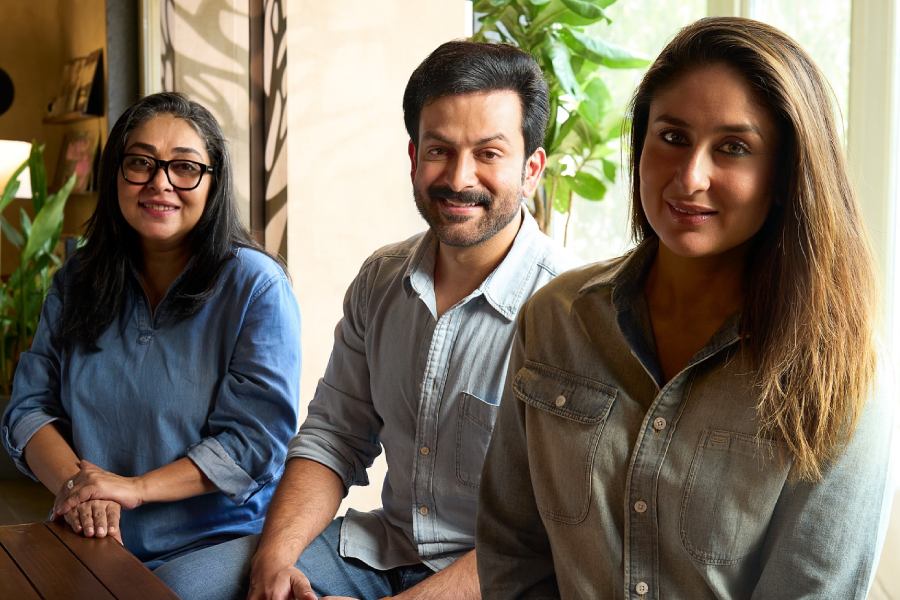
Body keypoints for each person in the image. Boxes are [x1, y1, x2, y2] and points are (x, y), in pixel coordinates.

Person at [476, 16, 893, 599]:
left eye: (733, 148)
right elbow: (512, 550)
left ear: (784, 174)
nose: (690, 177)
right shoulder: (555, 320)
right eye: (672, 136)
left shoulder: (840, 372)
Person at [169, 40, 574, 600]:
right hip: (382, 549)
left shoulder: (569, 312)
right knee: (179, 585)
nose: (459, 178)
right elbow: (334, 437)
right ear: (413, 157)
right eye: (439, 150)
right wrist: (275, 559)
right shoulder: (381, 279)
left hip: (500, 580)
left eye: (488, 153)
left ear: (531, 169)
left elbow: (546, 533)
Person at [1, 92, 301, 582]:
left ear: (213, 182)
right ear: (115, 173)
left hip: (214, 545)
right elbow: (28, 410)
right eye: (140, 162)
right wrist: (84, 489)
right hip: (91, 530)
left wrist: (133, 488)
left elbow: (253, 443)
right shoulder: (78, 278)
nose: (160, 183)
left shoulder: (256, 285)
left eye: (184, 168)